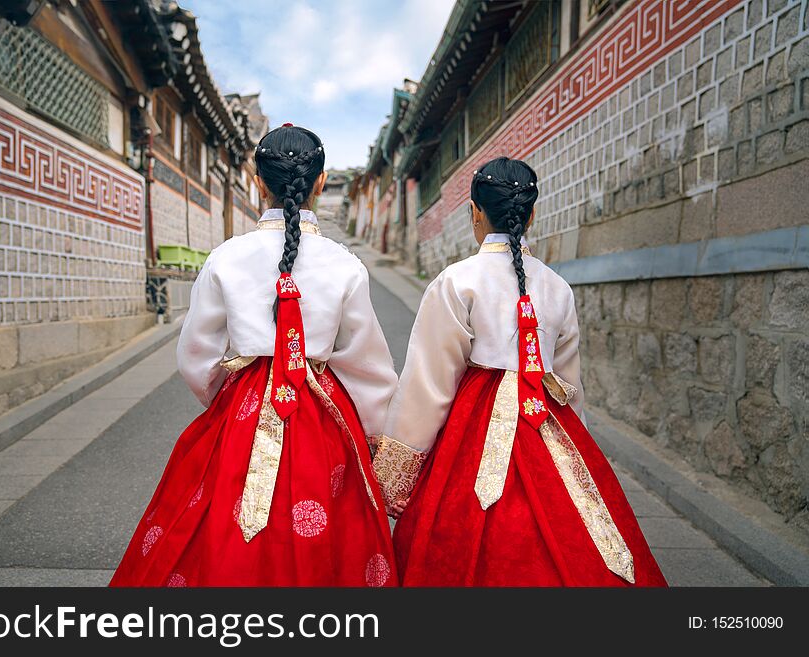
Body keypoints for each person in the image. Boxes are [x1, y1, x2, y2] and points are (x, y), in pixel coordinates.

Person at [111, 125, 398, 587]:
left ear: (257, 182)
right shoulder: (345, 264)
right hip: (322, 409)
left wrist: (222, 400)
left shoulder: (226, 257)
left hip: (244, 407)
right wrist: (371, 429)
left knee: (214, 517)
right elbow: (368, 364)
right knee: (332, 529)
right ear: (321, 182)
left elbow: (196, 355)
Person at [372, 157, 666, 587]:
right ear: (531, 214)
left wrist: (397, 469)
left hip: (473, 425)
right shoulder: (557, 287)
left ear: (475, 212)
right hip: (546, 421)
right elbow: (569, 384)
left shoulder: (457, 282)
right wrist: (575, 444)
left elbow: (430, 383)